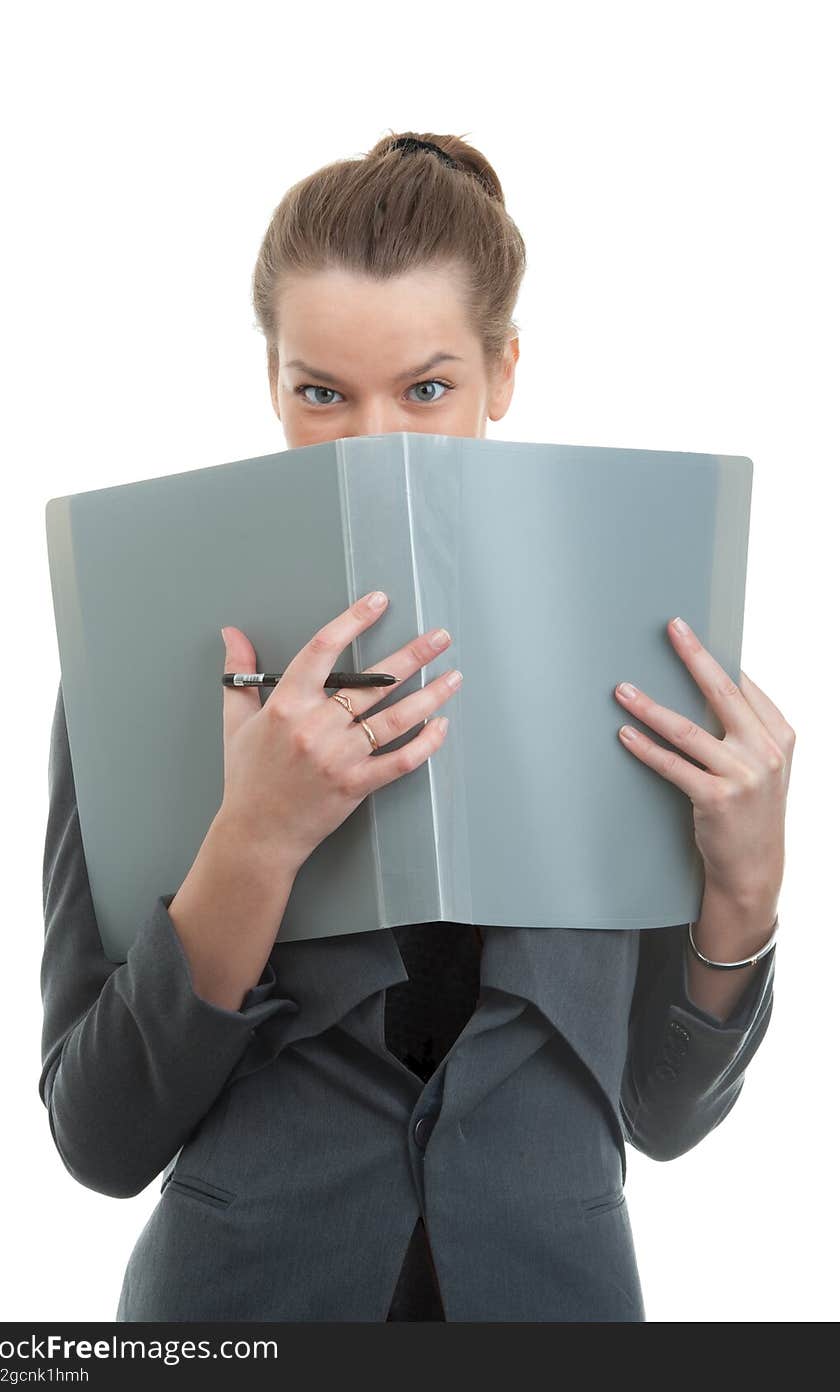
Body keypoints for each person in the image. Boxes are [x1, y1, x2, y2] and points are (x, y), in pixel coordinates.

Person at [39, 131, 791, 1322]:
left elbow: (663, 1116)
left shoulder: (634, 640)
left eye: (428, 389)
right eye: (320, 392)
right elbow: (98, 1138)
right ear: (272, 381)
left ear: (504, 374)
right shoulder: (157, 644)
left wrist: (743, 900)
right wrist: (254, 843)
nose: (374, 440)